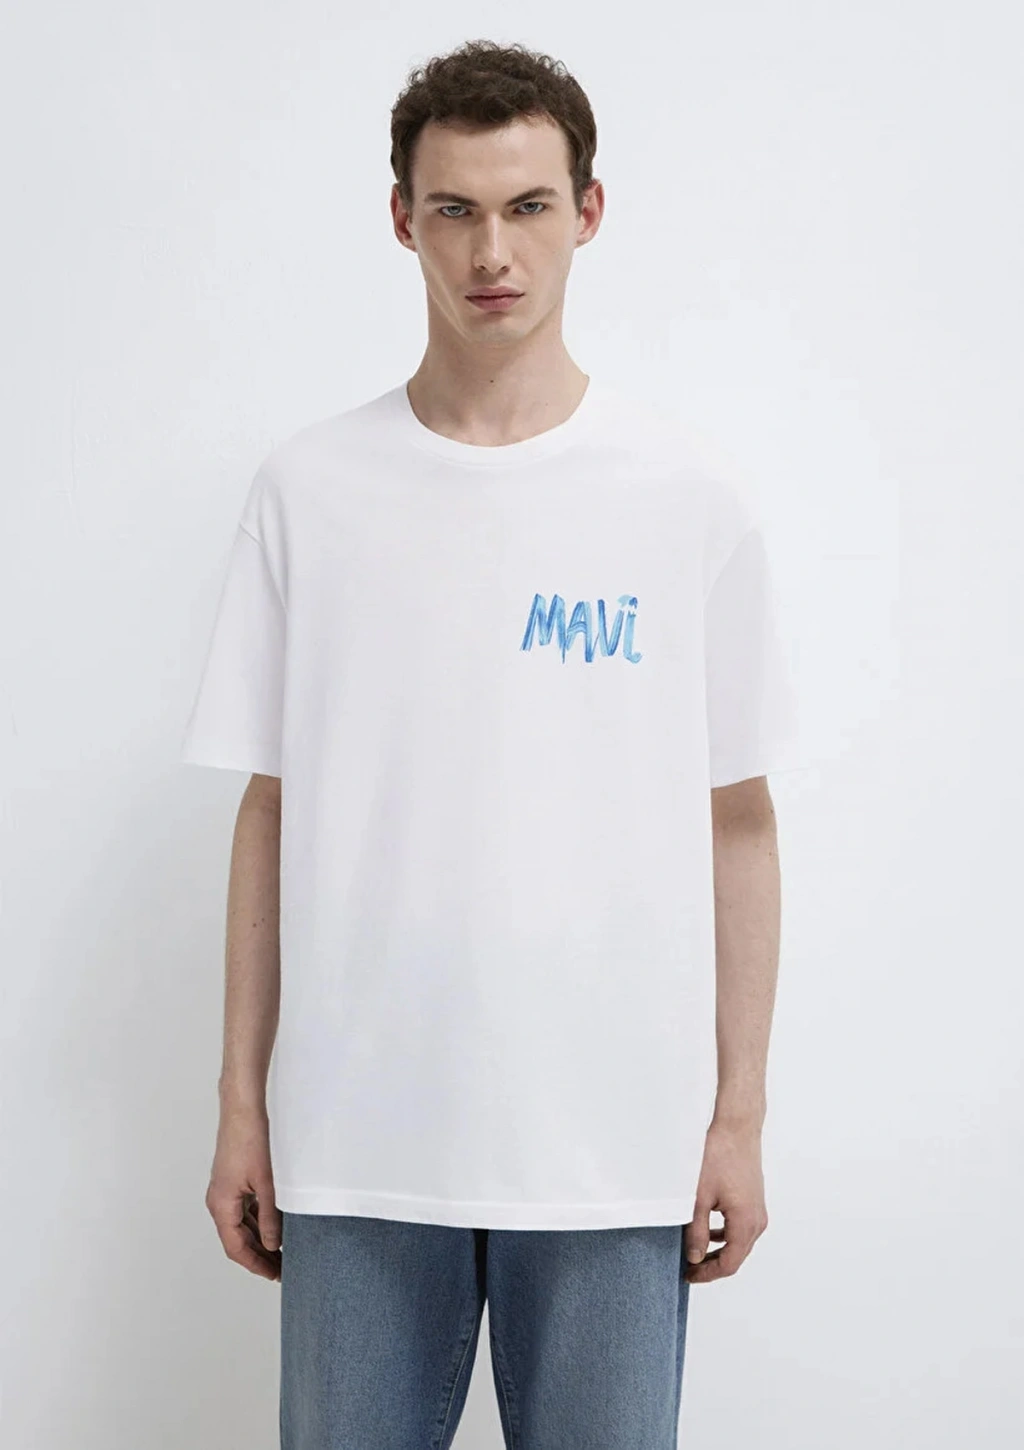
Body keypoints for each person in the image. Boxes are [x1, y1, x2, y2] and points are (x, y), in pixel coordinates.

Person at [181, 37, 804, 1450]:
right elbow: (272, 809)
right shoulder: (310, 490)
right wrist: (241, 1103)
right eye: (455, 209)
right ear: (403, 218)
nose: (492, 252)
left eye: (528, 206)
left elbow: (740, 820)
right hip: (358, 1140)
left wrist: (739, 1115)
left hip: (613, 1149)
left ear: (590, 211)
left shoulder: (687, 497)